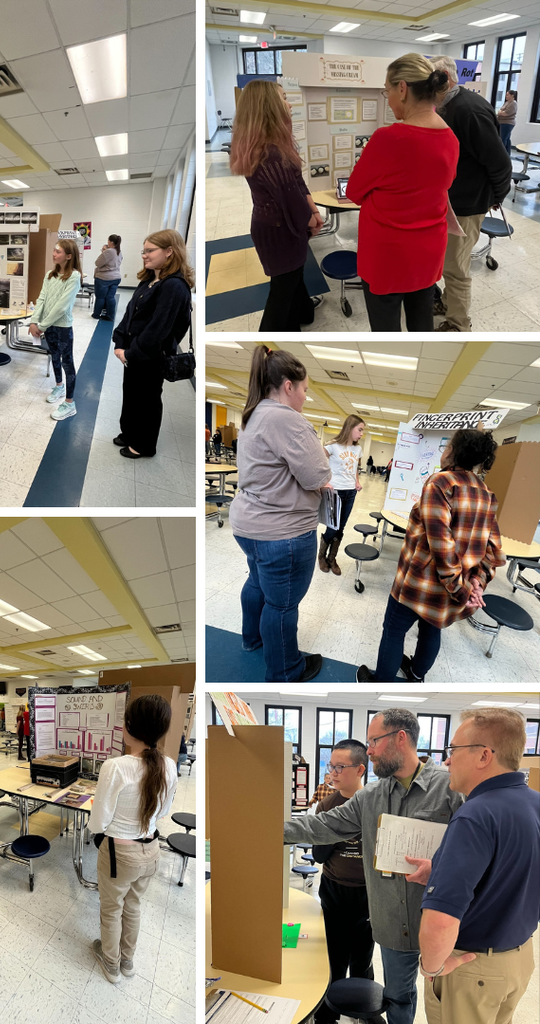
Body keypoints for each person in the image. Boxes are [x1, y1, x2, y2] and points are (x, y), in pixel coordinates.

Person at [284, 709, 464, 1024]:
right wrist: (267, 828)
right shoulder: (371, 796)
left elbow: (475, 848)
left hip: (442, 918)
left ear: (400, 738)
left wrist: (442, 867)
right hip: (393, 922)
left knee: (448, 1002)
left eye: (374, 741)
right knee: (398, 996)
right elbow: (324, 825)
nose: (368, 751)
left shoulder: (450, 789)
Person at [408, 709, 539, 1024]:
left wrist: (432, 967)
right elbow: (516, 871)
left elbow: (440, 923)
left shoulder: (475, 815)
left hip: (472, 968)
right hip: (518, 960)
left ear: (484, 756)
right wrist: (439, 870)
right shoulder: (535, 803)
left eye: (453, 750)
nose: (447, 761)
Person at [358, 428, 504, 683]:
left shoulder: (440, 483)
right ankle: (416, 676)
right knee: (431, 630)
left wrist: (462, 590)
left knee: (393, 630)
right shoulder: (486, 492)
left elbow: (442, 545)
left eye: (447, 446)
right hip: (454, 585)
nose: (443, 451)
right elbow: (492, 547)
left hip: (419, 583)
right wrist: (476, 582)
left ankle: (380, 685)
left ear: (453, 452)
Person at [229, 346, 330, 682]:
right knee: (282, 605)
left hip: (249, 525)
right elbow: (316, 476)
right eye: (304, 390)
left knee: (256, 583)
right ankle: (285, 670)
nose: (305, 397)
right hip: (282, 533)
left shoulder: (254, 413)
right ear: (289, 386)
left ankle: (251, 639)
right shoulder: (287, 419)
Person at [346, 55, 458, 332]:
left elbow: (354, 192)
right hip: (428, 252)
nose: (388, 100)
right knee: (422, 323)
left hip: (387, 256)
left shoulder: (387, 139)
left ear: (403, 88)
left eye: (388, 91)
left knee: (385, 330)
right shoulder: (451, 139)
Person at [88, 694, 177, 985]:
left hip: (119, 854)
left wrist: (97, 831)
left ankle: (111, 964)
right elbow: (163, 811)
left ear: (129, 726)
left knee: (111, 909)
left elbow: (99, 821)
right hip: (151, 851)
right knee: (134, 906)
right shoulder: (170, 766)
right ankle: (127, 961)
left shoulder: (115, 767)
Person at [231, 80, 324, 331]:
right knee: (282, 292)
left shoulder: (266, 144)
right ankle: (270, 340)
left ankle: (304, 311)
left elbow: (297, 182)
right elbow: (290, 199)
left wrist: (314, 211)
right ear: (269, 106)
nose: (289, 104)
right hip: (280, 230)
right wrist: (311, 221)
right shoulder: (270, 153)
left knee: (292, 276)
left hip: (274, 225)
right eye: (283, 98)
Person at [430, 56, 512, 333]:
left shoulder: (469, 110)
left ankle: (458, 323)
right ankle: (447, 303)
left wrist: (495, 197)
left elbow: (500, 162)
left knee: (456, 266)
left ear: (443, 77)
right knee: (448, 261)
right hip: (453, 200)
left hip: (467, 204)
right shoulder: (447, 106)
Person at [310, 740, 381, 1024]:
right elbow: (318, 855)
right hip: (334, 891)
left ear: (360, 769)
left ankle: (365, 1011)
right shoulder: (327, 805)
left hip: (368, 894)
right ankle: (328, 1013)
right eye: (331, 766)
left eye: (340, 767)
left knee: (362, 959)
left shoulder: (376, 805)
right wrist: (335, 829)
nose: (333, 773)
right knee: (334, 958)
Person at [112, 229, 193, 459]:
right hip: (133, 353)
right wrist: (120, 340)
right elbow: (130, 314)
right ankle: (129, 433)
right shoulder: (149, 280)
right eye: (143, 251)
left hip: (150, 357)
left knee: (147, 401)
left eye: (150, 251)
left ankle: (143, 445)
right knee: (131, 395)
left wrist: (131, 353)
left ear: (169, 251)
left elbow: (158, 329)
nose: (144, 255)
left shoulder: (174, 286)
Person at [29, 239, 82, 421]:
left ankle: (69, 403)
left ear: (68, 256)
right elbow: (42, 298)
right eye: (54, 250)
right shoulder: (50, 275)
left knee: (67, 362)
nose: (54, 254)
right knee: (54, 356)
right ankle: (59, 386)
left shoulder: (74, 276)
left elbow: (62, 307)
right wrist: (34, 321)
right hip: (48, 325)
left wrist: (42, 326)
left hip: (62, 327)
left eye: (58, 251)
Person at [319, 414, 366, 575]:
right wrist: (324, 482)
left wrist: (357, 481)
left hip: (350, 492)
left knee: (341, 527)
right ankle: (321, 556)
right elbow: (317, 463)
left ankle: (332, 558)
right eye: (359, 430)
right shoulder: (332, 445)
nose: (361, 434)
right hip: (335, 492)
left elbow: (355, 468)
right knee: (333, 527)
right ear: (350, 427)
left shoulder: (358, 449)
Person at [92, 234, 123, 321]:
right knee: (110, 297)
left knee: (100, 297)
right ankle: (110, 316)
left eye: (108, 241)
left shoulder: (109, 252)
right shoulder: (119, 252)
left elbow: (97, 263)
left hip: (104, 278)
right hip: (116, 277)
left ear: (111, 242)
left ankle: (96, 314)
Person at [497, 89, 517, 156]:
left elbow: (505, 113)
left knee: (503, 139)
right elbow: (500, 111)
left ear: (512, 95)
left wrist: (500, 112)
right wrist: (500, 112)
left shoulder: (513, 103)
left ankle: (501, 155)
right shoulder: (507, 102)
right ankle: (507, 154)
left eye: (507, 95)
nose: (506, 96)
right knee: (507, 139)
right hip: (502, 122)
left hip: (507, 123)